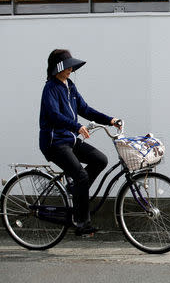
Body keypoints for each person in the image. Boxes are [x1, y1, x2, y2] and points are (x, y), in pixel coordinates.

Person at [39, 49, 119, 236]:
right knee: (81, 176)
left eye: (71, 67)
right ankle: (82, 222)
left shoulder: (70, 86)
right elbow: (54, 115)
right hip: (54, 143)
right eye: (67, 67)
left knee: (100, 160)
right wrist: (76, 126)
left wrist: (109, 120)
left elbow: (84, 109)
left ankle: (75, 192)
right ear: (57, 69)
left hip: (69, 140)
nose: (71, 70)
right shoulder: (50, 88)